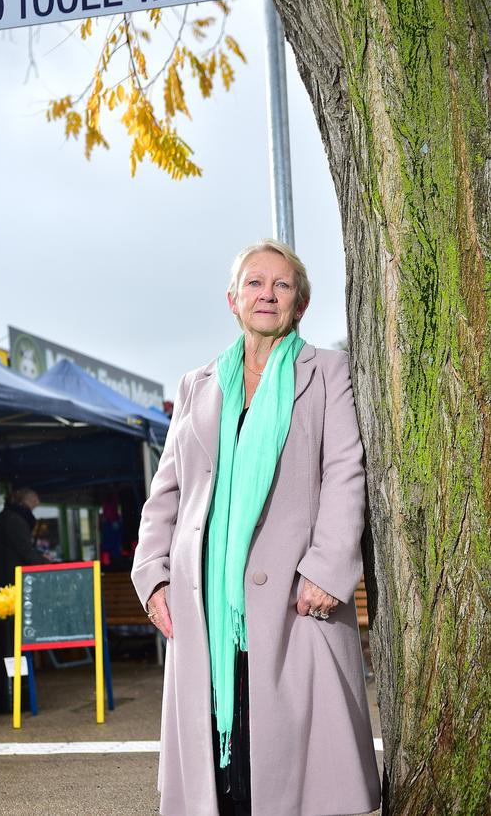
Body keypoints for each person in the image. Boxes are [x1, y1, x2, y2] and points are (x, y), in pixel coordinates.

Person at [131, 240, 381, 816]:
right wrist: (153, 577)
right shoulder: (198, 385)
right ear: (232, 299)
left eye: (282, 285)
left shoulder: (327, 372)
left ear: (301, 304)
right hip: (208, 609)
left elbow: (347, 470)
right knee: (222, 777)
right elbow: (165, 492)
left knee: (300, 778)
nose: (266, 294)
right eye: (254, 283)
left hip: (299, 603)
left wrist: (329, 567)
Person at [0, 487, 46, 713]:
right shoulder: (14, 520)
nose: (35, 507)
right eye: (34, 503)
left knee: (8, 647)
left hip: (4, 588)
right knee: (11, 647)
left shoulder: (6, 518)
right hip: (9, 591)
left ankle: (10, 699)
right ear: (26, 502)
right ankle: (12, 700)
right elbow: (25, 551)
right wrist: (45, 564)